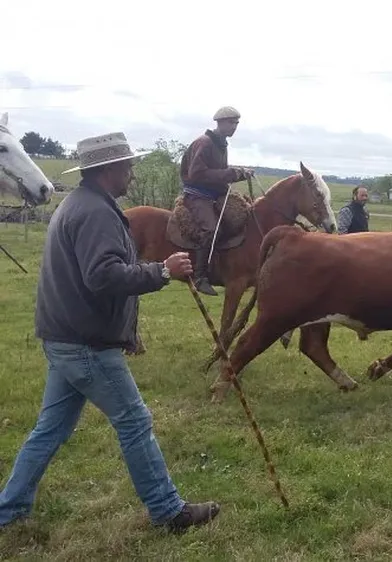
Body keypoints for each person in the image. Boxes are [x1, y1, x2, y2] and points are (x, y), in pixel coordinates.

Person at [0, 132, 221, 534]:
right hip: (85, 343)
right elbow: (102, 275)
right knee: (134, 421)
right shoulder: (96, 213)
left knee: (50, 429)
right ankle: (169, 512)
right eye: (128, 166)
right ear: (108, 170)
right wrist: (163, 271)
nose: (133, 173)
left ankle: (8, 509)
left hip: (63, 336)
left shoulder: (80, 204)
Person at [178, 106, 255, 296]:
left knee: (241, 216)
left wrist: (239, 172)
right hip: (198, 195)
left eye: (236, 123)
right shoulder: (204, 143)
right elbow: (196, 174)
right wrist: (231, 173)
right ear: (219, 123)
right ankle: (200, 276)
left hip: (214, 194)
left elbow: (218, 172)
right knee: (211, 229)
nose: (234, 126)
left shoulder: (221, 143)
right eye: (231, 122)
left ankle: (224, 267)